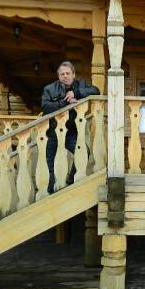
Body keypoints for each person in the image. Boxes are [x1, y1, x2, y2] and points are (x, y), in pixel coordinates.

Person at [41, 61, 99, 192]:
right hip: (52, 132)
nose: (65, 76)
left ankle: (71, 180)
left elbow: (95, 91)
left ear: (73, 74)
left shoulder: (80, 85)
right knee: (49, 164)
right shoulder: (49, 89)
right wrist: (66, 102)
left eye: (68, 73)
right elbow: (45, 106)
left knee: (83, 152)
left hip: (71, 132)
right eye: (62, 74)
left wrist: (75, 93)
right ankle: (49, 192)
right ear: (58, 76)